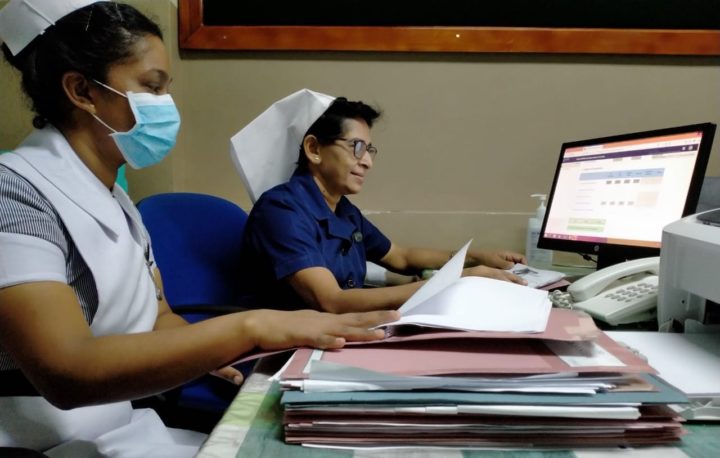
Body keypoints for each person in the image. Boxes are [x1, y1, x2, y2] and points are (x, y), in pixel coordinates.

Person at [0, 2, 397, 456]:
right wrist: (251, 328)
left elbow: (158, 316)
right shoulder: (13, 194)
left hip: (124, 423)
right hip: (41, 439)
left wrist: (204, 352)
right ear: (82, 90)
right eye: (151, 88)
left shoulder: (117, 202)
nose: (165, 106)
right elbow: (66, 373)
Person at [233, 91, 528, 313]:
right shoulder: (281, 210)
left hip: (334, 331)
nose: (368, 162)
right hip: (283, 349)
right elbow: (331, 301)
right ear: (314, 149)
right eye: (357, 148)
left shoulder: (343, 210)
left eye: (370, 149)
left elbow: (401, 256)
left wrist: (477, 256)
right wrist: (458, 281)